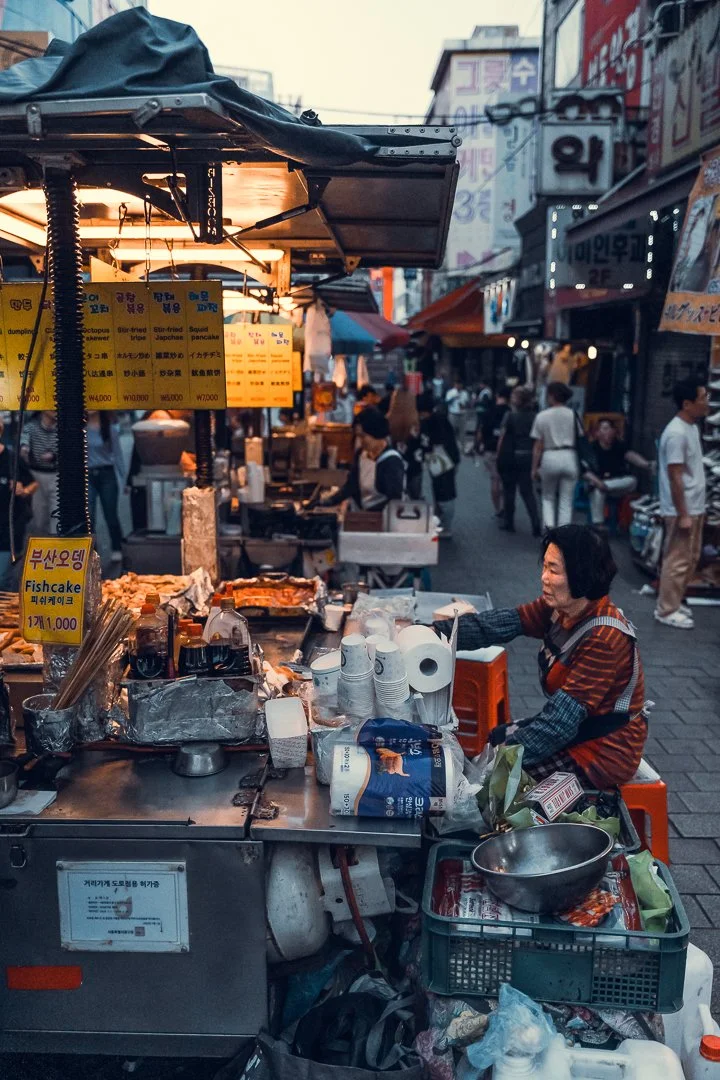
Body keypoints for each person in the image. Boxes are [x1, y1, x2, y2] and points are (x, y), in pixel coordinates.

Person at [434, 525, 648, 788]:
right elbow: (499, 625)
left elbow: (558, 724)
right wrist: (435, 633)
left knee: (498, 781)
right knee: (497, 737)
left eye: (553, 570)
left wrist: (495, 765)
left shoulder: (603, 639)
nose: (544, 577)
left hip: (602, 751)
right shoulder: (560, 609)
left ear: (581, 575)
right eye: (544, 567)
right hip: (578, 731)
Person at [655, 377, 710, 630]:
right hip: (682, 508)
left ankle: (674, 601)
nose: (707, 402)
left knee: (690, 558)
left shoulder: (692, 427)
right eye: (703, 398)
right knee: (677, 560)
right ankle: (666, 610)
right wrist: (683, 512)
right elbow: (674, 475)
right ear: (687, 403)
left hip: (694, 505)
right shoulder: (676, 433)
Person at [323, 407, 405, 511]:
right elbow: (351, 486)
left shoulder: (392, 461)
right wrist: (329, 501)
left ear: (376, 433)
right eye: (358, 436)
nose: (360, 441)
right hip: (363, 517)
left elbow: (394, 501)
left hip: (384, 520)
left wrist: (367, 514)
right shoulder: (361, 455)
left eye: (363, 436)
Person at [584, 418, 653, 528]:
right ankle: (599, 524)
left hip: (616, 485)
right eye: (604, 429)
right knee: (597, 490)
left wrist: (647, 464)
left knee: (633, 481)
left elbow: (631, 456)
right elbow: (585, 472)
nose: (608, 432)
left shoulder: (619, 446)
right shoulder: (591, 449)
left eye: (610, 429)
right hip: (598, 483)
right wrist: (598, 483)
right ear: (597, 432)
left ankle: (605, 486)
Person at [531, 382, 578, 529]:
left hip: (550, 456)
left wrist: (534, 468)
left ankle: (549, 535)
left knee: (548, 498)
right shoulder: (573, 415)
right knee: (566, 500)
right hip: (570, 456)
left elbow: (538, 445)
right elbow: (580, 437)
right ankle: (564, 537)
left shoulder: (542, 416)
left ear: (551, 396)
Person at [496, 387, 541, 536]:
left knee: (509, 490)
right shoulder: (535, 417)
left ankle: (509, 523)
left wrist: (498, 455)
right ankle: (535, 523)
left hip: (511, 455)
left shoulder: (509, 416)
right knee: (527, 491)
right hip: (528, 455)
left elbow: (502, 437)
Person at [0, 418, 37, 588]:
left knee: (3, 579)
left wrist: (24, 490)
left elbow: (33, 483)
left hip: (8, 529)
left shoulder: (11, 459)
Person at [418, 393, 460, 539]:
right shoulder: (439, 418)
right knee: (441, 491)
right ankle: (441, 522)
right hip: (446, 459)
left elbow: (433, 442)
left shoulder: (433, 421)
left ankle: (445, 526)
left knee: (444, 492)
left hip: (441, 460)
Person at [87, 411, 125, 561]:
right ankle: (92, 550)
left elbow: (118, 454)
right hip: (87, 474)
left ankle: (117, 547)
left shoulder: (109, 428)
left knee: (110, 513)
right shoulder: (80, 428)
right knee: (89, 515)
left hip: (106, 473)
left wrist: (123, 479)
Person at [20, 410, 58, 535]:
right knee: (39, 518)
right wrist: (24, 449)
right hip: (36, 475)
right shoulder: (31, 427)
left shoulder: (61, 428)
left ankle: (56, 546)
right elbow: (24, 440)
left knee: (57, 515)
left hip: (56, 475)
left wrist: (54, 456)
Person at [387, 388, 424, 500]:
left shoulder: (388, 422)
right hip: (414, 467)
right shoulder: (417, 424)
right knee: (414, 500)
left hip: (395, 467)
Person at [482, 387, 510, 516]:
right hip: (507, 450)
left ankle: (497, 509)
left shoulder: (489, 411)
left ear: (497, 395)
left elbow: (482, 430)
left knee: (494, 480)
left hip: (490, 448)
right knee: (506, 481)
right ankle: (506, 507)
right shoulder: (510, 412)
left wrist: (480, 445)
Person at [445, 378, 470, 445]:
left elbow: (468, 403)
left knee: (462, 431)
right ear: (455, 385)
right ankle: (451, 445)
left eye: (460, 385)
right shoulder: (450, 392)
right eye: (457, 384)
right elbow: (446, 402)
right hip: (453, 414)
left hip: (462, 414)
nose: (458, 386)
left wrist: (465, 405)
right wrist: (453, 398)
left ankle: (462, 447)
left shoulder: (465, 393)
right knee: (452, 431)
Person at [473, 379, 493, 455]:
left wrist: (477, 402)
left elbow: (484, 403)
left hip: (483, 414)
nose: (479, 386)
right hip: (482, 413)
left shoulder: (486, 392)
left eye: (481, 384)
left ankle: (478, 446)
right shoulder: (484, 392)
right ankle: (478, 446)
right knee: (479, 430)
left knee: (480, 430)